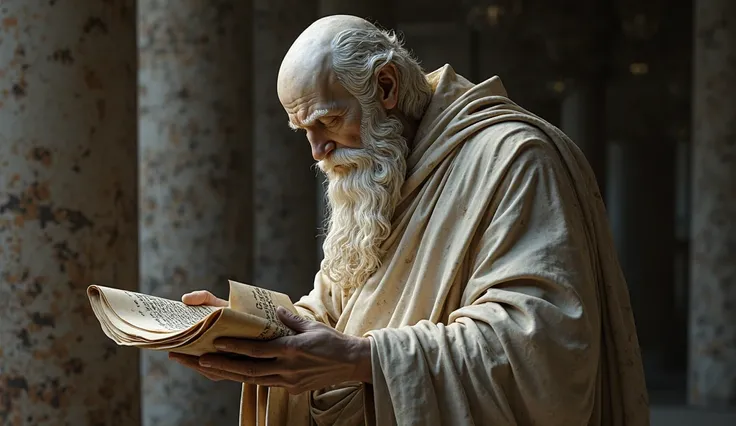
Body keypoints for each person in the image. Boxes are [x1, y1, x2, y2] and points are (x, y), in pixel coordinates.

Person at [169, 14, 650, 426]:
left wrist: (363, 359)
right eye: (304, 131)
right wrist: (251, 329)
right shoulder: (379, 171)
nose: (317, 151)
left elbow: (545, 348)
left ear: (386, 86)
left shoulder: (515, 158)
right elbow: (335, 306)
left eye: (328, 122)